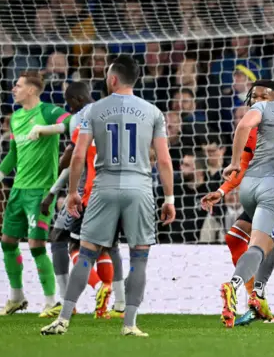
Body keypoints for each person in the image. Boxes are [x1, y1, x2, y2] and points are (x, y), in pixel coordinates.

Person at [41, 55, 176, 336]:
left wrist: (72, 193)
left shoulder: (94, 110)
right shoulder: (153, 112)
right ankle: (130, 323)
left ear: (113, 79)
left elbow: (78, 155)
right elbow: (163, 160)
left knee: (86, 253)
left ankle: (63, 319)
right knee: (139, 257)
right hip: (139, 188)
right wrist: (169, 198)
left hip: (103, 186)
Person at [201, 79, 274, 327]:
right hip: (268, 191)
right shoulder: (256, 128)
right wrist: (222, 192)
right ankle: (261, 298)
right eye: (254, 97)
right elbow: (243, 166)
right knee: (238, 236)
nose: (258, 101)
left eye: (265, 97)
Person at [0, 71, 72, 316]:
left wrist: (45, 129)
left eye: (18, 86)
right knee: (8, 242)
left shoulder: (48, 111)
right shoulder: (16, 117)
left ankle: (52, 302)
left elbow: (73, 122)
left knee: (36, 244)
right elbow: (13, 155)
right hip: (18, 190)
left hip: (40, 191)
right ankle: (16, 297)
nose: (14, 89)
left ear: (31, 90)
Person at [34, 81, 125, 319]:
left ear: (75, 101)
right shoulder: (118, 123)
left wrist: (56, 191)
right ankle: (112, 304)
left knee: (66, 242)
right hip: (118, 191)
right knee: (105, 245)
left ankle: (85, 294)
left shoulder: (81, 121)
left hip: (87, 192)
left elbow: (71, 159)